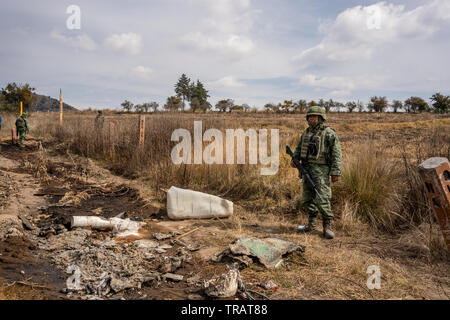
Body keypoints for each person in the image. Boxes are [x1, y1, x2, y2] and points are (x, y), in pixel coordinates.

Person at [291, 106, 342, 239]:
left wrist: (335, 171)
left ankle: (327, 226)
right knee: (306, 200)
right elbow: (299, 148)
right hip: (306, 169)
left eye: (315, 116)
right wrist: (294, 159)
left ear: (321, 118)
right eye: (310, 116)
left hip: (321, 171)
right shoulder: (306, 133)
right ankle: (311, 224)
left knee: (322, 198)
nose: (312, 118)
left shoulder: (329, 133)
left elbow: (336, 154)